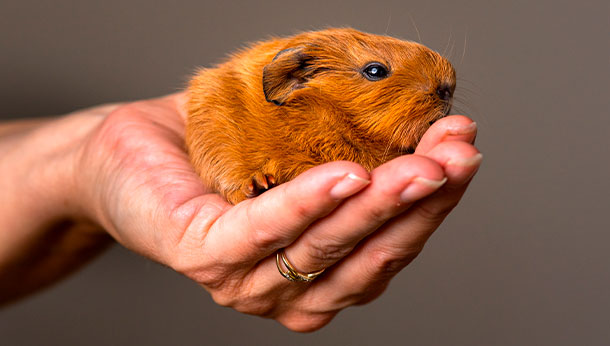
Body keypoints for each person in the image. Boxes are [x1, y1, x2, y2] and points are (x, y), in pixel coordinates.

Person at [0, 93, 482, 332]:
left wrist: (83, 152)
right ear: (295, 79)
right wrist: (85, 158)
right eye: (375, 74)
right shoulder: (236, 106)